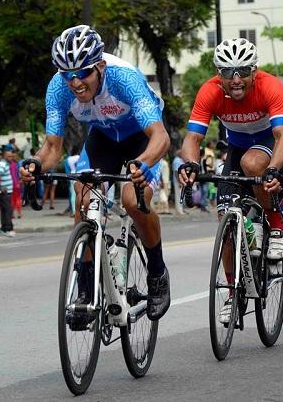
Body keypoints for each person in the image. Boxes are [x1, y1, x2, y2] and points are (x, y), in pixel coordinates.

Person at [20, 25, 171, 321]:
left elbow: (160, 137)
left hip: (141, 137)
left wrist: (142, 163)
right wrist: (35, 164)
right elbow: (52, 148)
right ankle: (86, 289)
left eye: (83, 73)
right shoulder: (57, 88)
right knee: (85, 197)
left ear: (100, 66)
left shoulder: (123, 79)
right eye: (67, 74)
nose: (75, 82)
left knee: (131, 200)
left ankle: (157, 272)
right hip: (103, 138)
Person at [179, 38, 283, 260]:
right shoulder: (209, 91)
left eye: (242, 71)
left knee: (252, 163)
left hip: (272, 143)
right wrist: (191, 164)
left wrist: (273, 169)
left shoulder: (270, 86)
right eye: (228, 72)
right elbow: (193, 138)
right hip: (238, 147)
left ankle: (277, 225)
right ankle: (232, 289)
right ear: (218, 74)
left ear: (254, 71)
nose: (236, 79)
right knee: (225, 216)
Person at [0, 148, 16, 237]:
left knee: (5, 210)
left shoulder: (7, 164)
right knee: (8, 210)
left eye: (11, 156)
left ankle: (4, 228)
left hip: (7, 191)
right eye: (8, 156)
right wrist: (0, 187)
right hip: (4, 191)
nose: (10, 158)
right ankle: (8, 229)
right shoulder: (2, 164)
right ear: (4, 156)